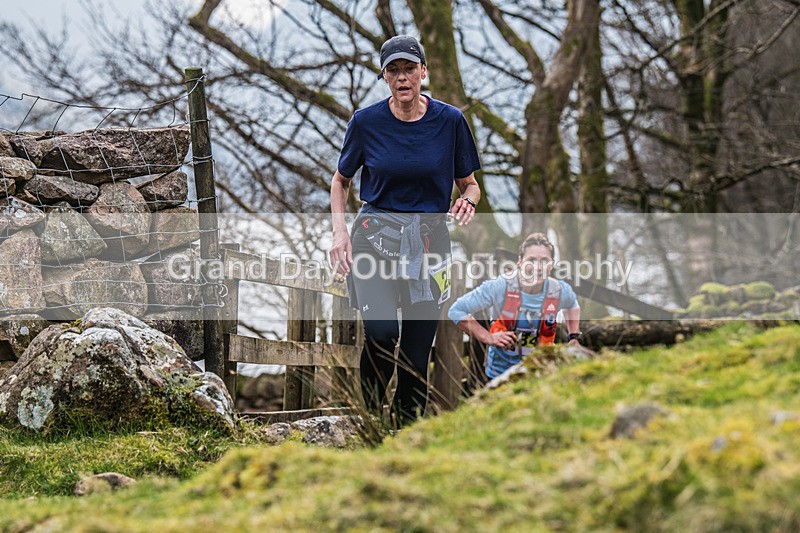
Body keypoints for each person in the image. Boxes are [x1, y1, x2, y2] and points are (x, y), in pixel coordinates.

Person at [329, 35, 482, 423]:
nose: (402, 78)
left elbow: (470, 183)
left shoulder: (450, 121)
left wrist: (469, 200)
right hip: (373, 239)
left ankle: (404, 431)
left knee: (416, 355)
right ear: (384, 77)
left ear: (423, 72)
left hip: (429, 244)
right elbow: (340, 181)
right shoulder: (366, 123)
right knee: (381, 335)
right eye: (393, 70)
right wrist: (340, 234)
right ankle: (369, 421)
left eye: (409, 69)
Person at [448, 232, 582, 379]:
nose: (538, 267)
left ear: (552, 265)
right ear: (520, 262)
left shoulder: (559, 290)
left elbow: (572, 304)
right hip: (499, 375)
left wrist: (573, 336)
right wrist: (488, 337)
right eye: (531, 260)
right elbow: (456, 311)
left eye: (544, 261)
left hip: (541, 373)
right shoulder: (500, 287)